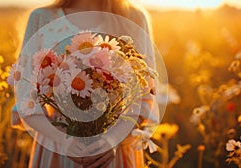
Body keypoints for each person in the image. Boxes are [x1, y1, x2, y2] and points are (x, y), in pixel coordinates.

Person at [12, 0, 158, 167]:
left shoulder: (133, 18)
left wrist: (113, 139)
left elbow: (145, 94)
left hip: (112, 153)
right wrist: (62, 140)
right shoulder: (41, 18)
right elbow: (25, 98)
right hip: (57, 148)